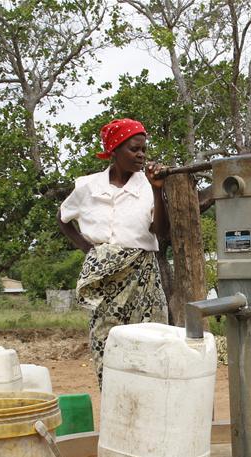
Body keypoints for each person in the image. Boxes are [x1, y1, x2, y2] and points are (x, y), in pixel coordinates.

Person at [58, 118, 169, 387]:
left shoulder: (147, 186)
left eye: (143, 149)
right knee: (107, 340)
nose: (141, 155)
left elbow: (161, 231)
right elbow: (62, 218)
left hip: (142, 274)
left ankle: (149, 400)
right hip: (106, 278)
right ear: (114, 150)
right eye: (134, 149)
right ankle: (115, 400)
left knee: (150, 340)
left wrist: (158, 191)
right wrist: (89, 250)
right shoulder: (88, 186)